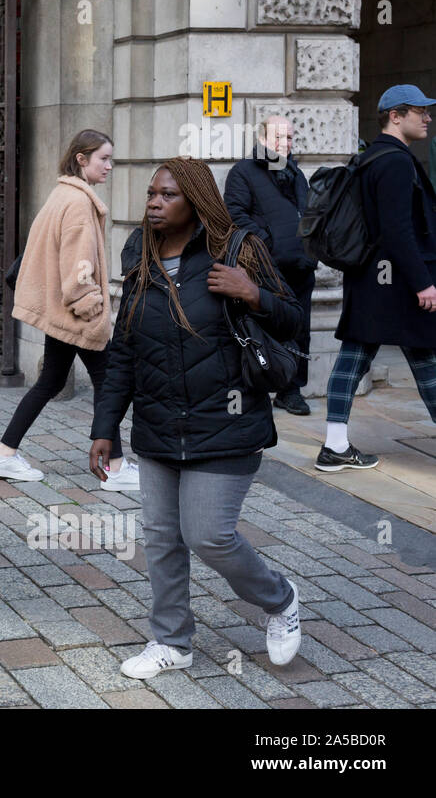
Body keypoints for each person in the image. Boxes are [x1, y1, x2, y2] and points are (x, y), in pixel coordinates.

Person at [89, 155, 304, 679]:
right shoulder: (140, 255)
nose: (155, 203)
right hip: (161, 425)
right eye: (151, 195)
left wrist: (252, 293)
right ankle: (171, 641)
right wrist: (104, 427)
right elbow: (123, 350)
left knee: (209, 534)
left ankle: (279, 600)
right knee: (162, 538)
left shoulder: (238, 250)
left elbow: (293, 317)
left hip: (227, 423)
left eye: (168, 195)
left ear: (197, 201)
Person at [0, 130, 138, 490]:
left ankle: (4, 453)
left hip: (59, 313)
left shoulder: (63, 194)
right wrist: (93, 307)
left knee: (51, 381)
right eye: (103, 158)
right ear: (81, 159)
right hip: (75, 314)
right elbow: (78, 269)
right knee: (107, 379)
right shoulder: (79, 204)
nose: (110, 166)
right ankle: (114, 467)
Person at [317, 84, 436, 471]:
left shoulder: (372, 158)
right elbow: (398, 229)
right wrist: (422, 281)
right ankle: (334, 447)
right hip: (397, 284)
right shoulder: (395, 162)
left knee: (354, 359)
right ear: (396, 116)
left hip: (371, 280)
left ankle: (335, 446)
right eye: (420, 111)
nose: (428, 118)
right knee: (425, 360)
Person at [225, 115, 316, 415]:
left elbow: (307, 214)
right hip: (265, 269)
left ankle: (291, 390)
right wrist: (267, 245)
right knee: (260, 326)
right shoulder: (243, 171)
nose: (285, 144)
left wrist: (311, 250)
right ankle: (256, 384)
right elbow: (235, 214)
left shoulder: (297, 174)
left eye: (289, 138)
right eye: (279, 137)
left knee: (300, 329)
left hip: (300, 267)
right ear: (262, 138)